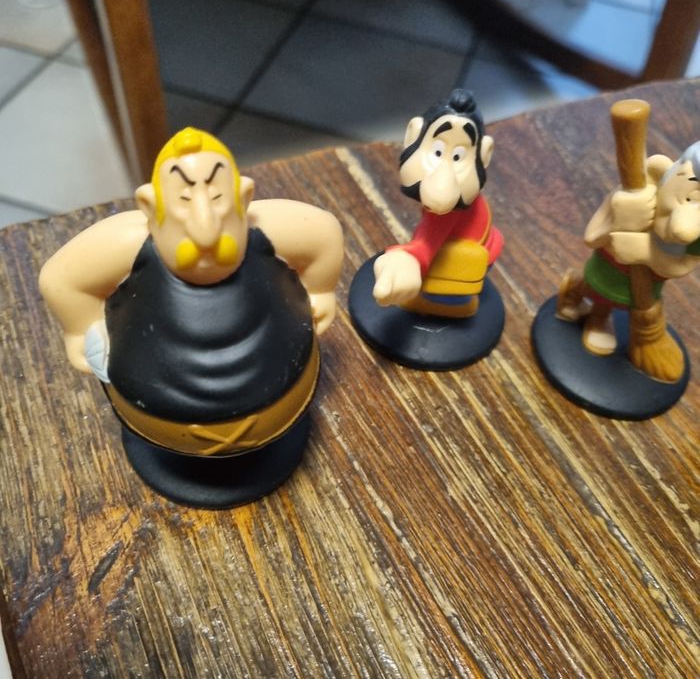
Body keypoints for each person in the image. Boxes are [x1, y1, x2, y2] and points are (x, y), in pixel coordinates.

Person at [40, 127, 343, 461]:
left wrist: (320, 291)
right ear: (150, 207)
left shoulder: (268, 230)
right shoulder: (127, 245)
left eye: (217, 198)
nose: (205, 229)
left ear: (243, 198)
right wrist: (82, 328)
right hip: (154, 404)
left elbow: (324, 233)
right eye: (184, 201)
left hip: (284, 382)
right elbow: (59, 280)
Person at [557, 141, 700, 382]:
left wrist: (644, 252)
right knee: (597, 289)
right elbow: (591, 237)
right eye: (691, 196)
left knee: (622, 301)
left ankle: (595, 316)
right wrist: (618, 219)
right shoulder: (632, 197)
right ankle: (584, 302)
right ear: (661, 173)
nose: (686, 225)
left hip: (648, 285)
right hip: (608, 266)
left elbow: (682, 265)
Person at [372, 89, 503, 318]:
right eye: (438, 151)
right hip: (488, 244)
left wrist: (406, 258)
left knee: (439, 287)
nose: (444, 174)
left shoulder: (449, 212)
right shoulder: (464, 201)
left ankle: (452, 304)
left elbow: (427, 244)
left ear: (483, 156)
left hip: (470, 256)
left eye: (458, 157)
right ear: (413, 136)